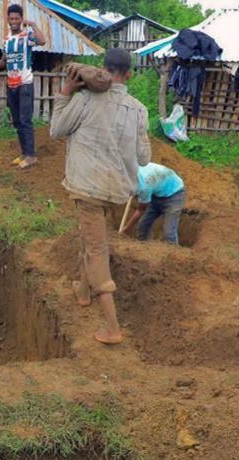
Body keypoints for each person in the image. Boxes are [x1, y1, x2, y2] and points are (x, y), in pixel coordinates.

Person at [50, 49, 151, 345]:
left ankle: (112, 327)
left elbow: (56, 130)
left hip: (88, 188)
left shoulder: (84, 99)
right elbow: (144, 158)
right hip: (117, 191)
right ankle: (82, 291)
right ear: (129, 74)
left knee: (96, 249)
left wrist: (65, 93)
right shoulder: (139, 110)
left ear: (103, 69)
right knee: (91, 237)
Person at [0, 4, 46, 170]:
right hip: (12, 85)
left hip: (25, 84)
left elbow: (42, 41)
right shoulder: (7, 39)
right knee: (17, 121)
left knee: (25, 120)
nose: (14, 21)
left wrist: (33, 24)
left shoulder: (27, 36)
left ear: (21, 19)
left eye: (17, 18)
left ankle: (31, 156)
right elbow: (4, 62)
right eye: (11, 18)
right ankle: (24, 153)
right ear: (8, 20)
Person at [120, 163, 187, 245]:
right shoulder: (130, 169)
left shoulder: (144, 187)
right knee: (143, 226)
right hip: (156, 192)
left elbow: (140, 210)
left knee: (169, 233)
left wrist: (126, 228)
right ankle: (142, 249)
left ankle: (175, 254)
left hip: (174, 193)